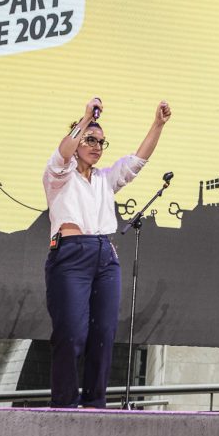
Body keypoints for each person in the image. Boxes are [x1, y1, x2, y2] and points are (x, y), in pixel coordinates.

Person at [43, 97, 171, 408]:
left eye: (101, 142)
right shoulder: (59, 174)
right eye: (90, 139)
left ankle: (95, 404)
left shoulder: (104, 179)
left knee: (103, 334)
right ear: (77, 140)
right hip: (70, 255)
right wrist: (86, 118)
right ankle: (64, 404)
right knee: (71, 333)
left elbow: (137, 162)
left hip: (104, 256)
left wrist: (157, 125)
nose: (97, 146)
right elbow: (63, 152)